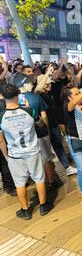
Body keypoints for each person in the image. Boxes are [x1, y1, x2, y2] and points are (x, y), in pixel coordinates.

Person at [0, 84, 51, 219]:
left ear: (3, 97)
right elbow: (41, 125)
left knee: (19, 182)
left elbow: (0, 141)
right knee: (39, 178)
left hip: (15, 155)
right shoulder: (29, 111)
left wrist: (6, 155)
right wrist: (29, 107)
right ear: (18, 96)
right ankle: (43, 206)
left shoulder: (1, 116)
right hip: (32, 151)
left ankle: (25, 210)